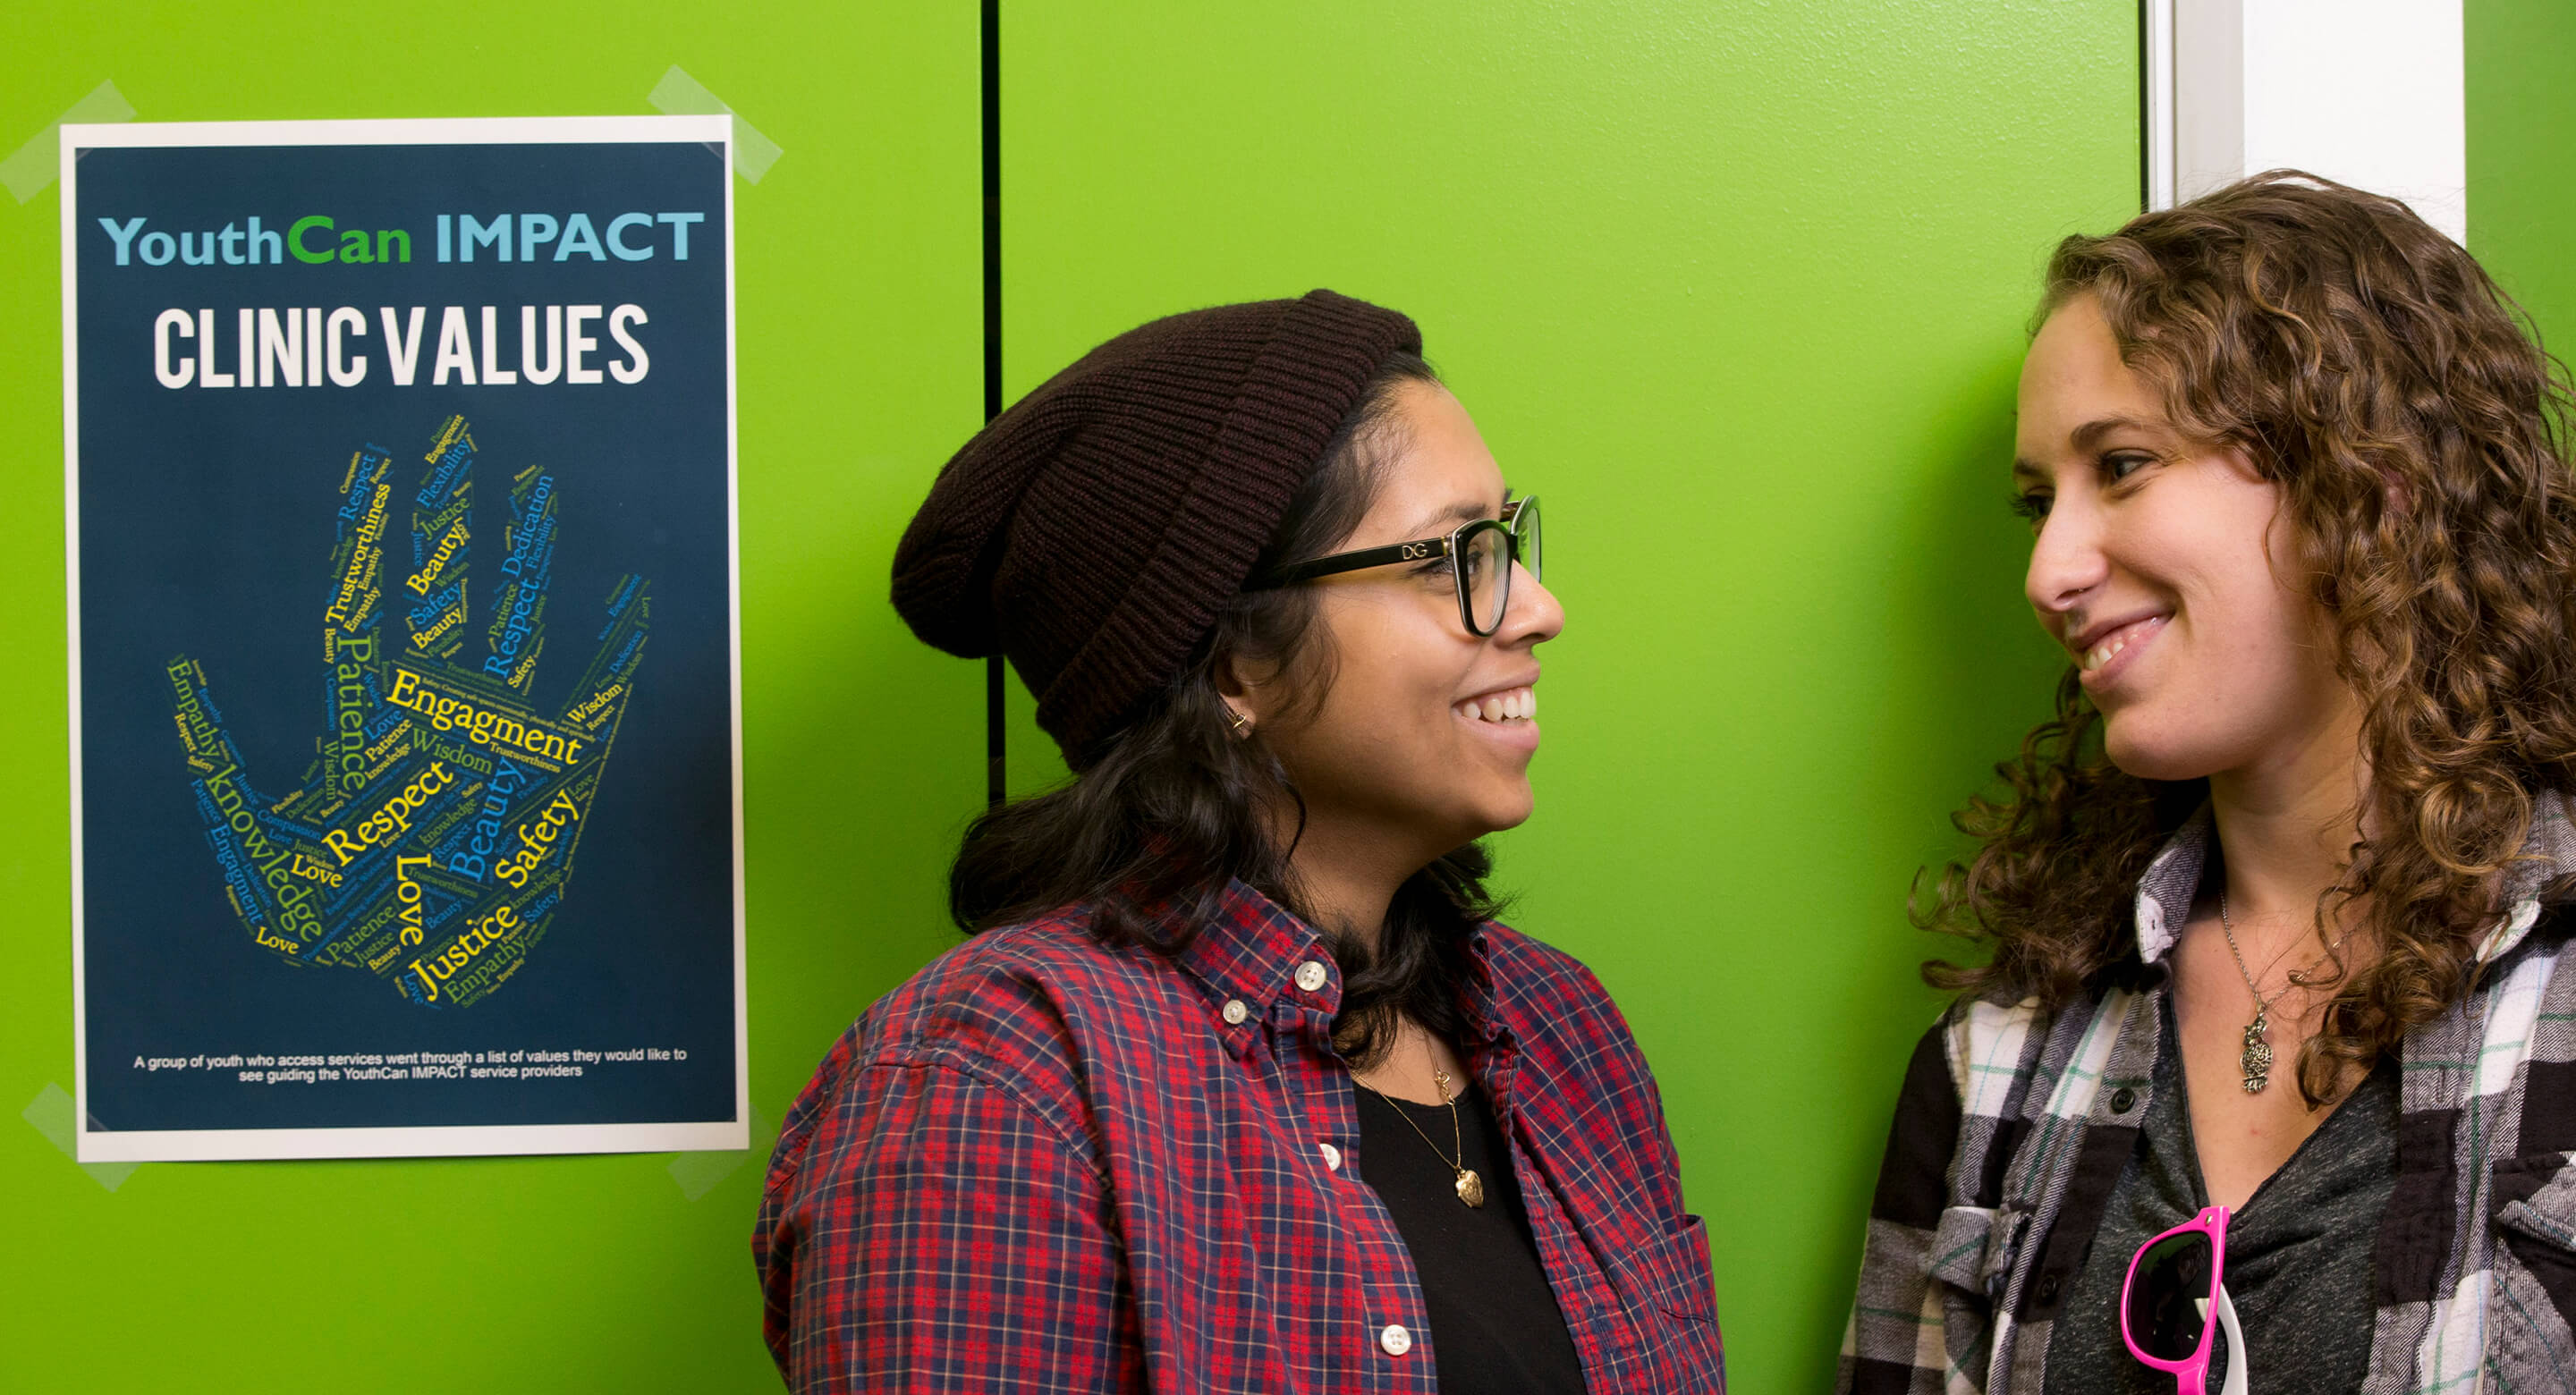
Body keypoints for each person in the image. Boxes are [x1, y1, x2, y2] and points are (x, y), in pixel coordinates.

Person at [755, 291, 1724, 1393]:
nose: (1537, 607)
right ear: (1232, 668)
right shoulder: (998, 1080)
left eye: (1508, 542)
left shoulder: (1559, 1032)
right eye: (1455, 555)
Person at [1839, 173, 2576, 1393]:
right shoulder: (1997, 1061)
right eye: (2038, 504)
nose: (2048, 570)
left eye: (2121, 464)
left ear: (2370, 479)